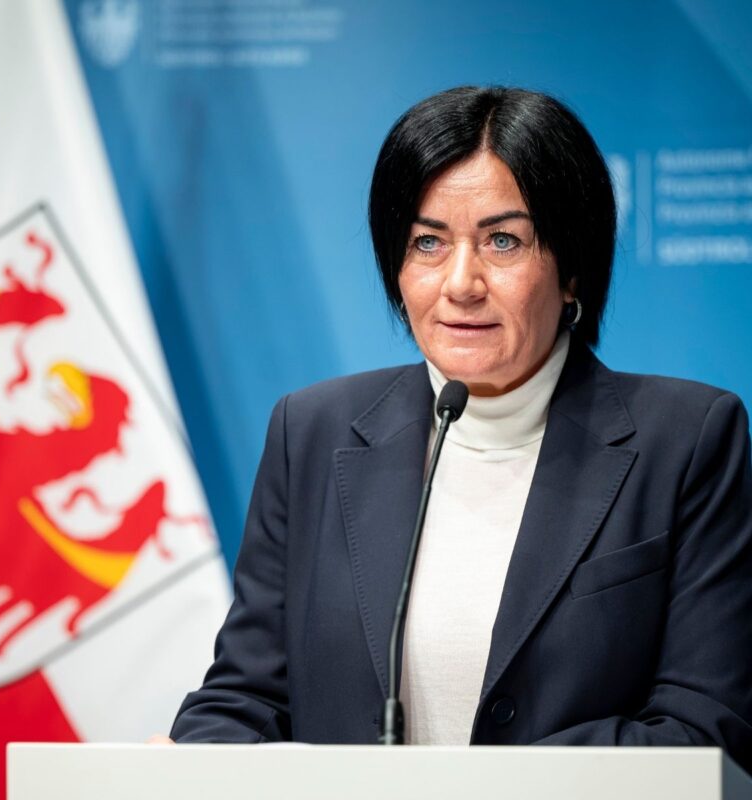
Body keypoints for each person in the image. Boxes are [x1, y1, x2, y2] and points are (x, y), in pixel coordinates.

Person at [169, 86, 752, 770]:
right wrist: (191, 762)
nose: (461, 283)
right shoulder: (313, 433)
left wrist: (479, 786)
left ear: (571, 270)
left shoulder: (685, 441)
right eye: (428, 243)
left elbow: (703, 729)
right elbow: (247, 697)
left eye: (503, 241)